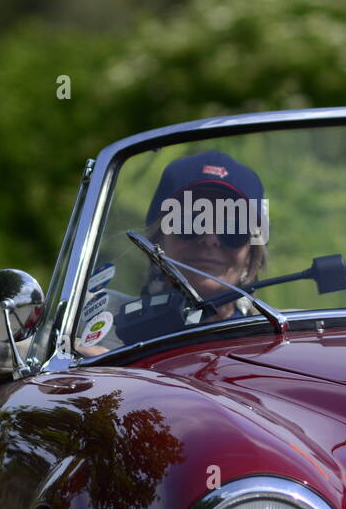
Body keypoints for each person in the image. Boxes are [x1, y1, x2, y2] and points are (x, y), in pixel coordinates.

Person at [76, 150, 268, 355]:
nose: (210, 239)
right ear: (157, 239)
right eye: (191, 221)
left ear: (252, 252)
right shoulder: (95, 321)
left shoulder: (275, 342)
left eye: (233, 228)